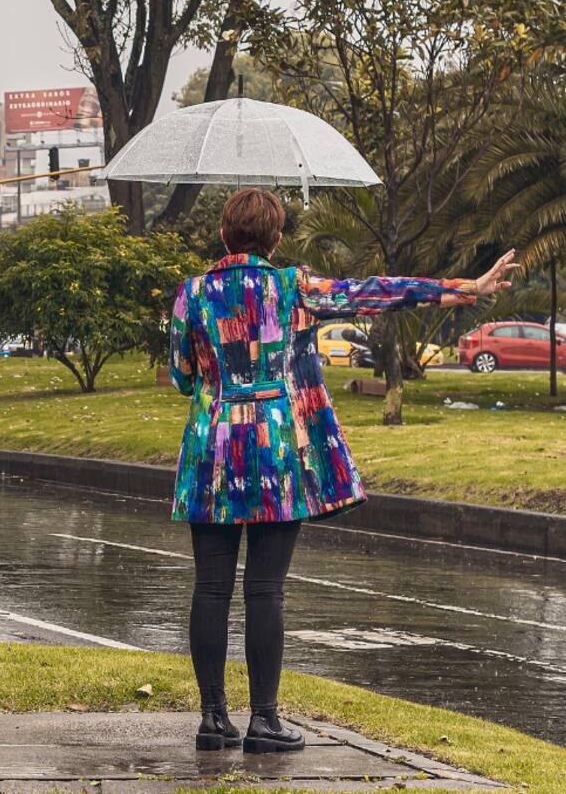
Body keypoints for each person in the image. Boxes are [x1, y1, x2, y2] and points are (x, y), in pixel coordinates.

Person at [167, 188, 517, 754]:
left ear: (225, 235)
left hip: (212, 454)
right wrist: (467, 288)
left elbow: (182, 376)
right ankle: (264, 721)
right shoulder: (295, 288)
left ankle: (212, 719)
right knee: (264, 589)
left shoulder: (192, 293)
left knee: (210, 587)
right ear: (276, 238)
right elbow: (376, 293)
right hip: (279, 453)